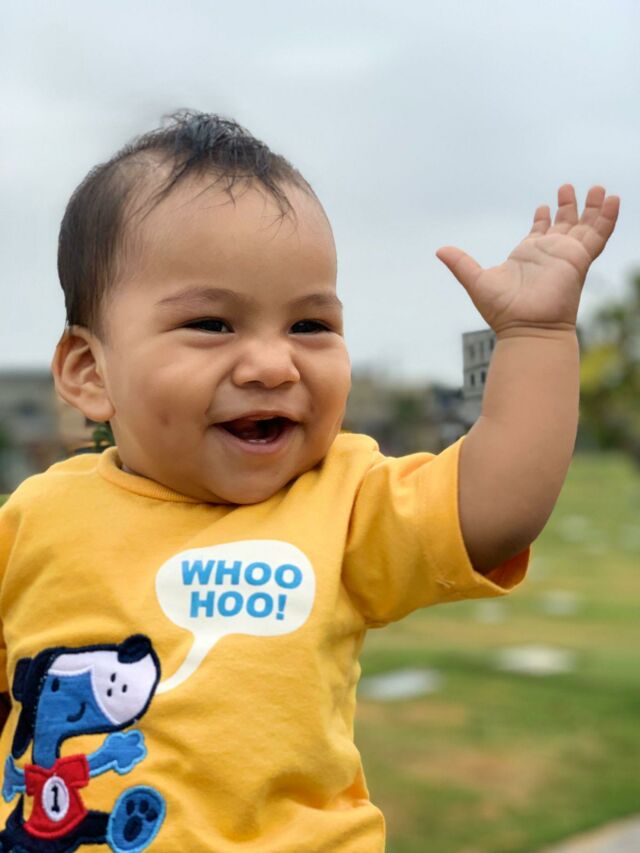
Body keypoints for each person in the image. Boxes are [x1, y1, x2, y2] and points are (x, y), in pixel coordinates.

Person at [0, 111, 619, 852]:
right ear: (90, 372)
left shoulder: (342, 501)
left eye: (310, 326)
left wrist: (536, 336)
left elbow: (498, 507)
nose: (273, 365)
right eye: (212, 324)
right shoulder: (31, 521)